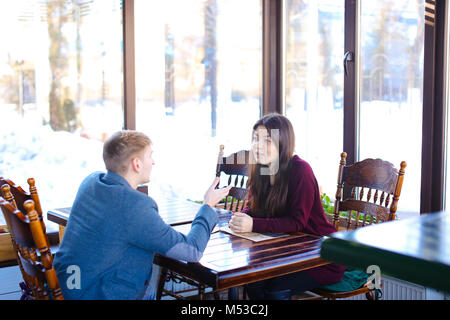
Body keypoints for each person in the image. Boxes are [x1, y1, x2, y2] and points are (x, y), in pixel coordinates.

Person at [53, 130, 231, 300]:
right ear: (136, 164)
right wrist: (208, 204)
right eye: (150, 156)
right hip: (98, 294)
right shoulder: (136, 206)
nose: (153, 162)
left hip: (71, 285)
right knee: (149, 272)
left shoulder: (91, 182)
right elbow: (192, 250)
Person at [229, 113, 345, 300]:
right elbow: (253, 208)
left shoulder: (300, 170)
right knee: (253, 281)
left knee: (275, 287)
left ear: (282, 142)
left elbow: (297, 222)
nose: (258, 146)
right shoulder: (263, 168)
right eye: (255, 139)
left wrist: (253, 225)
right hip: (288, 251)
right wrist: (242, 218)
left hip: (321, 255)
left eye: (267, 140)